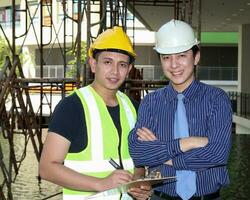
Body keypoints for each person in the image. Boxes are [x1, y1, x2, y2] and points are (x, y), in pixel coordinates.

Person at [39, 26, 151, 200]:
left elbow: (138, 165)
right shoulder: (72, 107)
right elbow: (47, 168)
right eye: (107, 62)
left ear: (129, 69)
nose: (115, 71)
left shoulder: (134, 108)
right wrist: (101, 183)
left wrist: (138, 183)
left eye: (122, 65)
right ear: (93, 64)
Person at [128, 19, 232, 200]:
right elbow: (138, 152)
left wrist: (164, 157)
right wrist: (189, 142)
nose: (174, 65)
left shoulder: (217, 99)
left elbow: (217, 154)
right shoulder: (151, 102)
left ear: (196, 56)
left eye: (181, 55)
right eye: (166, 57)